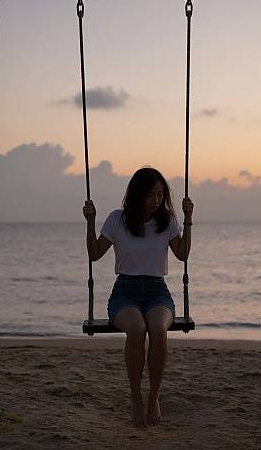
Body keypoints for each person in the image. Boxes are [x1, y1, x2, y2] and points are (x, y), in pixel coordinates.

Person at [82, 167, 194, 428]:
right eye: (150, 195)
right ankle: (135, 396)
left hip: (158, 292)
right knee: (137, 328)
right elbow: (95, 253)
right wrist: (90, 221)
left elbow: (182, 254)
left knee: (157, 328)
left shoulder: (167, 221)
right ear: (136, 195)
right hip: (125, 293)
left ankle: (154, 396)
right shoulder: (117, 220)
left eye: (160, 194)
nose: (156, 201)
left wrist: (188, 218)